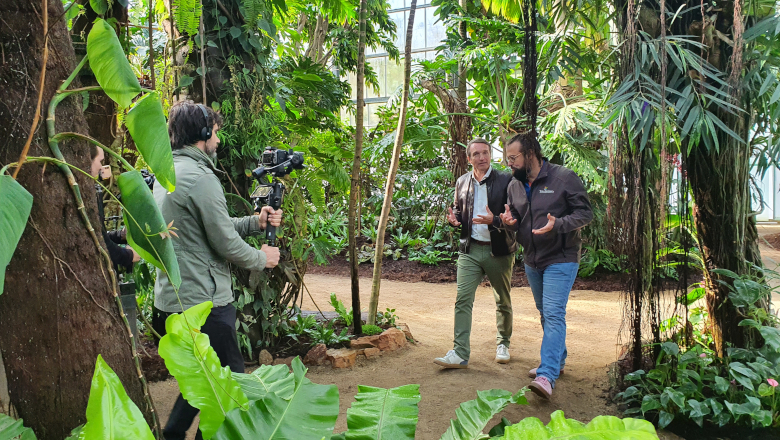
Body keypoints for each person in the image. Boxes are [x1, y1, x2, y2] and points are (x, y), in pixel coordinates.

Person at [152, 101, 282, 440]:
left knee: (203, 378)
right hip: (204, 303)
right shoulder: (199, 178)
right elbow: (224, 243)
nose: (220, 140)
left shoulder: (168, 172)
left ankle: (172, 435)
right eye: (217, 131)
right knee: (230, 383)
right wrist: (262, 258)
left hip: (175, 298)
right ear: (205, 132)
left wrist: (256, 222)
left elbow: (206, 230)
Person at [499, 132, 593, 399]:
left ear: (530, 154)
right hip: (532, 259)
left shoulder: (563, 178)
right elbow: (517, 215)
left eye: (513, 158)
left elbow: (585, 213)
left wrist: (559, 225)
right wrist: (509, 221)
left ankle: (547, 374)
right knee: (545, 312)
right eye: (507, 159)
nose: (510, 164)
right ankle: (558, 362)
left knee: (553, 313)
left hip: (561, 258)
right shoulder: (515, 185)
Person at [434, 138, 517, 369]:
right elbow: (460, 212)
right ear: (468, 159)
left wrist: (496, 220)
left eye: (486, 153)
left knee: (502, 300)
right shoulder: (462, 182)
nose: (482, 158)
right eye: (477, 154)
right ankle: (460, 353)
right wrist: (454, 221)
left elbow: (515, 216)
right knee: (462, 300)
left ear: (491, 155)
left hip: (498, 251)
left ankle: (503, 344)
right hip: (470, 249)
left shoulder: (506, 180)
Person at [90, 145, 140, 273]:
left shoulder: (92, 190)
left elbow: (97, 234)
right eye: (100, 161)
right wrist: (128, 255)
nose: (102, 167)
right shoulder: (86, 195)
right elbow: (99, 242)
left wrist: (119, 235)